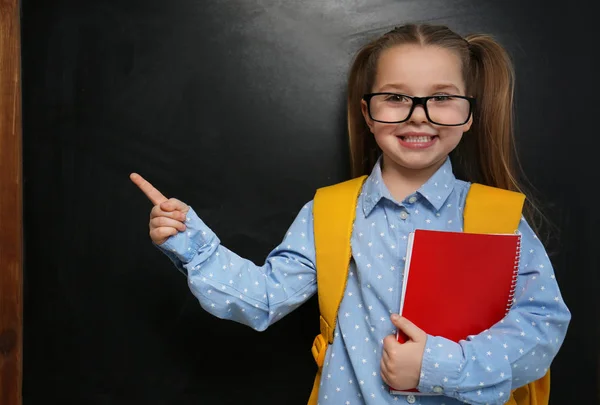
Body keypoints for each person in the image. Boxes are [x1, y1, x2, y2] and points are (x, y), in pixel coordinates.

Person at [130, 23, 571, 405]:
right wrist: (192, 244)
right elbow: (262, 299)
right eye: (396, 97)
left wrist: (437, 366)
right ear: (368, 112)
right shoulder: (329, 211)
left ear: (469, 114)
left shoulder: (498, 217)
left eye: (441, 98)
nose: (419, 117)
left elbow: (541, 326)